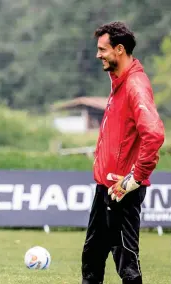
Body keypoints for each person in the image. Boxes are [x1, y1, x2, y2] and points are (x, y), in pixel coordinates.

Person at [81, 22, 165, 284]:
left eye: (102, 49)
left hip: (122, 190)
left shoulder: (134, 85)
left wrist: (134, 179)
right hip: (105, 187)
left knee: (126, 263)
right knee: (92, 259)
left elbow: (154, 134)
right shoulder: (119, 82)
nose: (98, 55)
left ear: (119, 49)